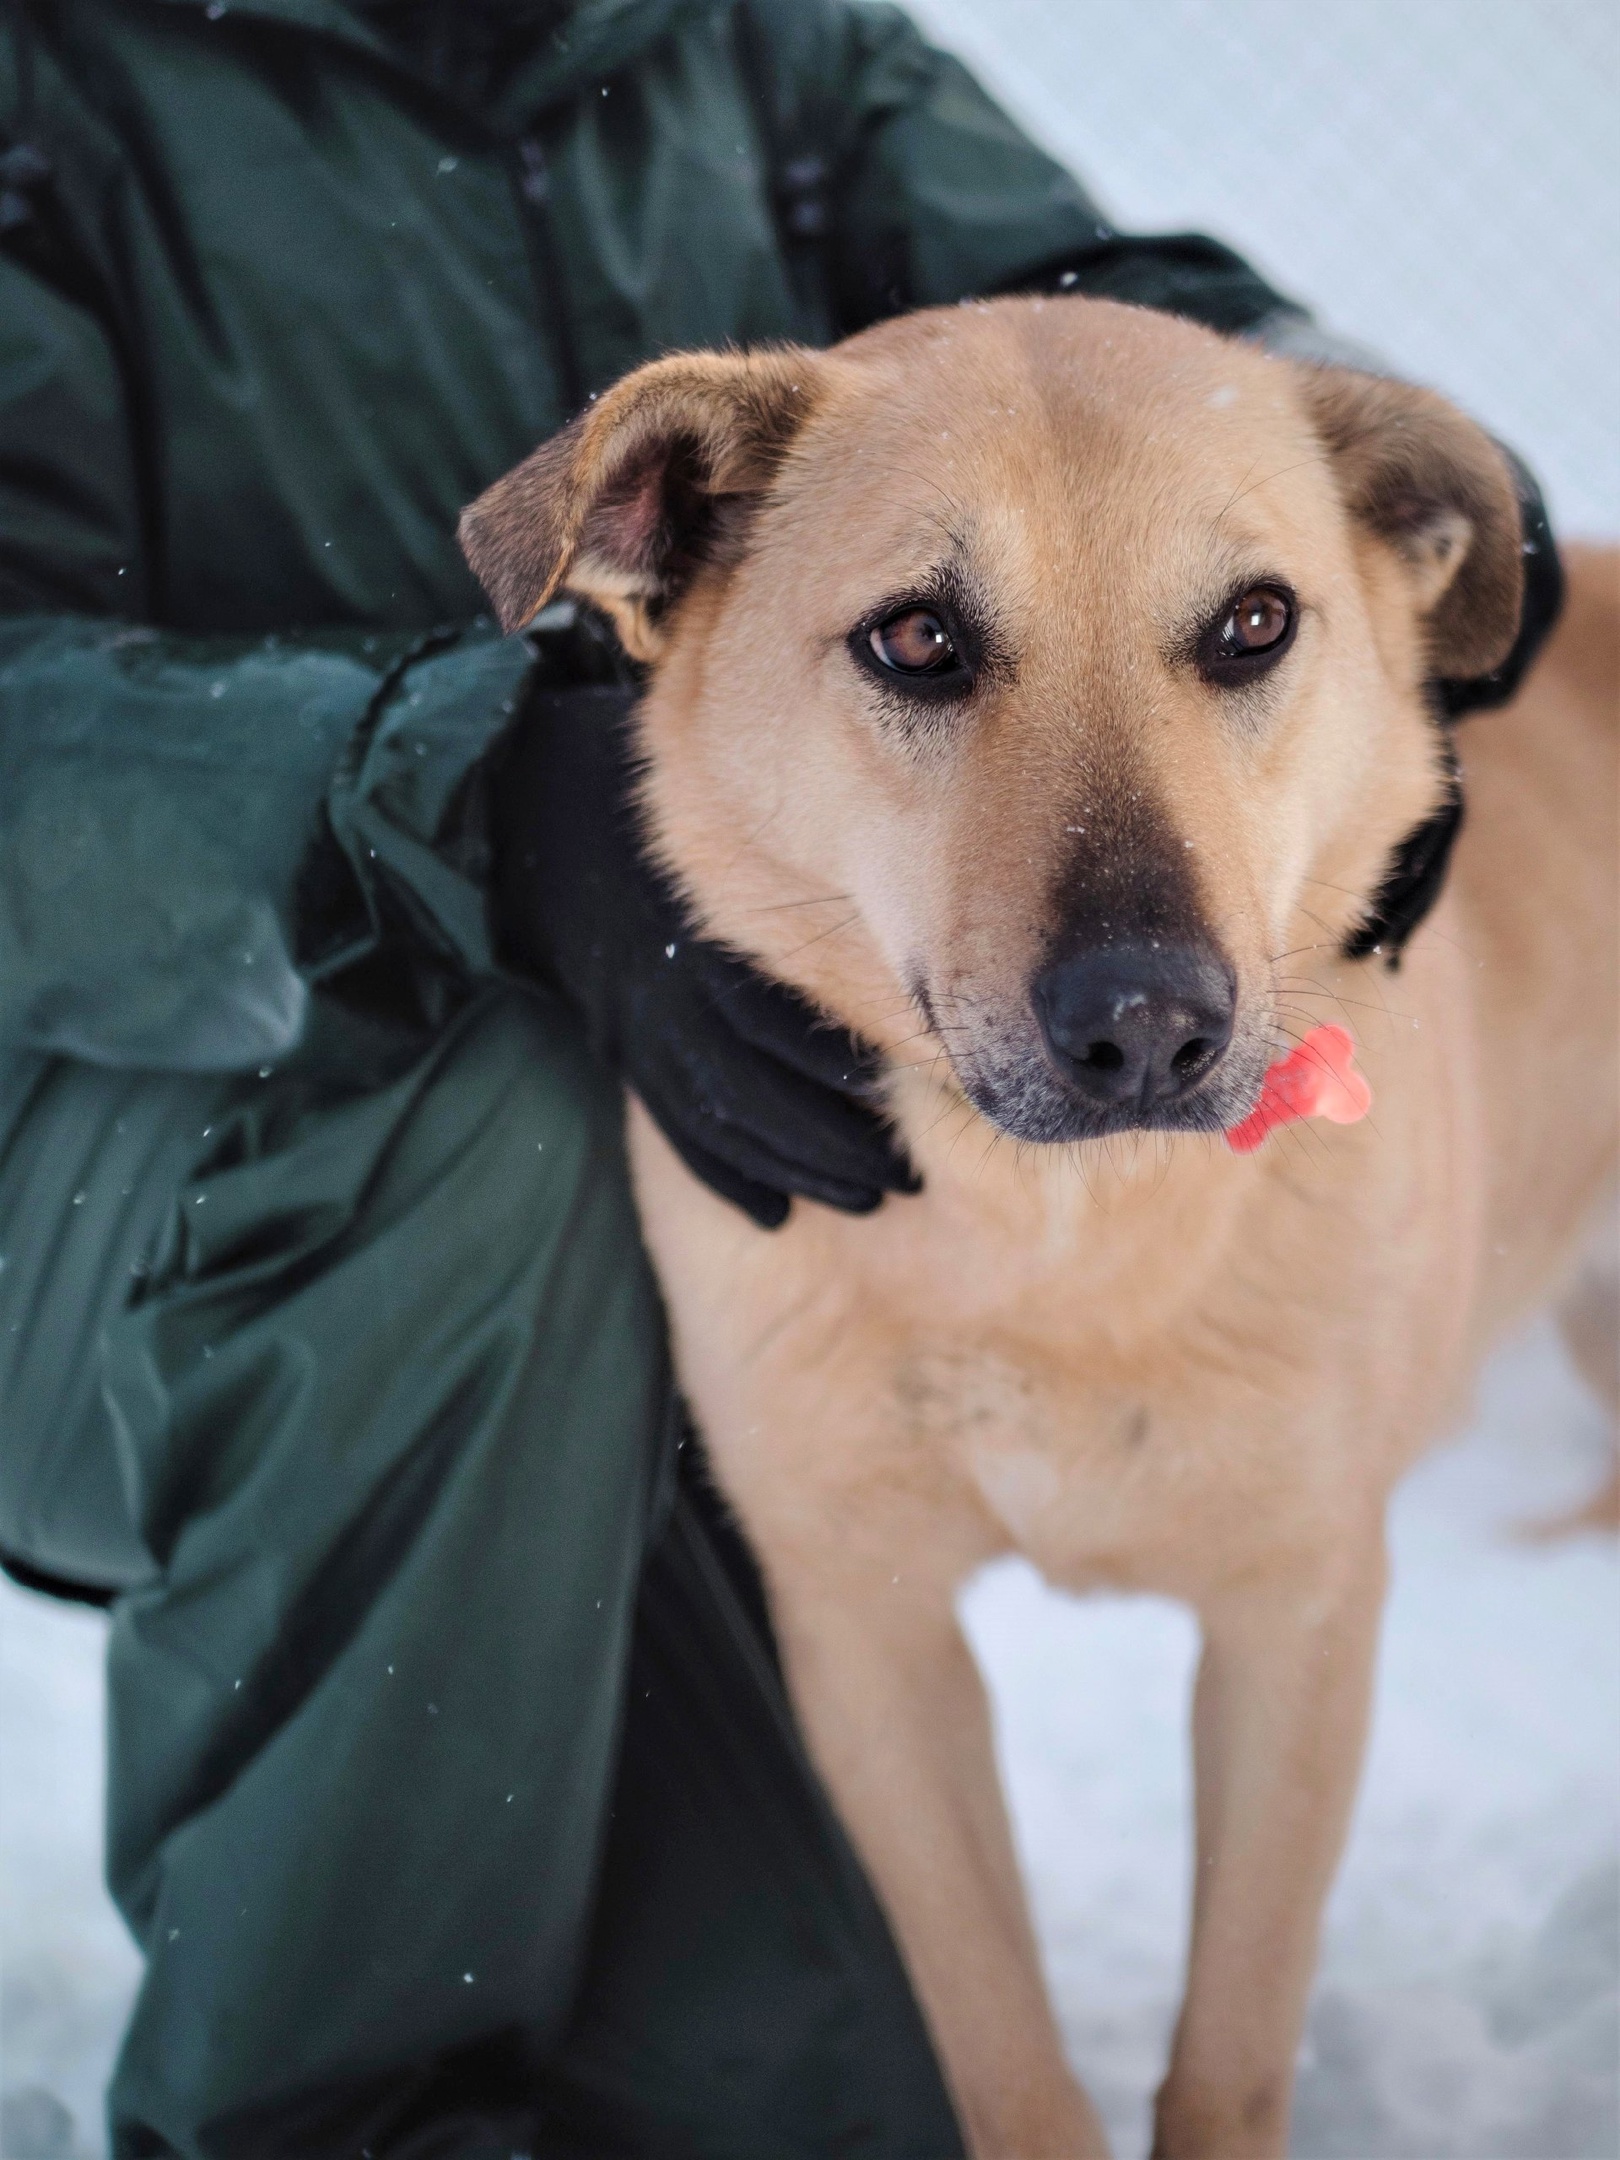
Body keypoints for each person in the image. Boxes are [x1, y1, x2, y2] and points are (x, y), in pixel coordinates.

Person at [0, 3, 1559, 2154]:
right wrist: (465, 793)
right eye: (930, 649)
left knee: (845, 2108)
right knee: (501, 1119)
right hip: (107, 1144)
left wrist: (1363, 531)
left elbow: (1114, 319)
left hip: (646, 1108)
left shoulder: (742, 31)